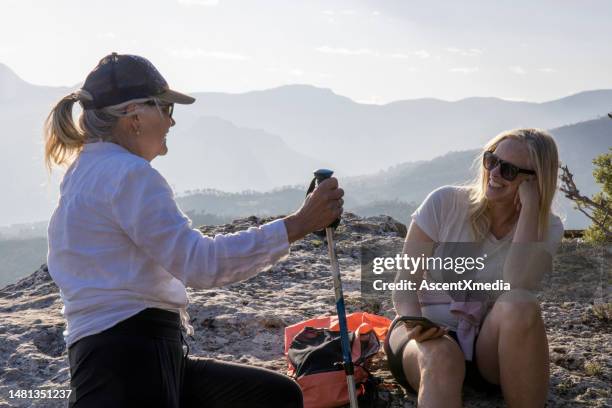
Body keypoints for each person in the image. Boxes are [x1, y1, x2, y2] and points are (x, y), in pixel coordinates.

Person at [44, 52, 344, 408]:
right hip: (134, 358)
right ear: (134, 116)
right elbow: (200, 263)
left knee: (276, 396)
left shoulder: (83, 173)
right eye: (167, 110)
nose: (171, 123)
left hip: (114, 359)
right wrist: (297, 225)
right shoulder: (130, 174)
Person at [384, 129, 564, 408]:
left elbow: (518, 281)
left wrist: (530, 209)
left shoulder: (546, 228)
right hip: (424, 334)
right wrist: (415, 324)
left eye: (509, 170)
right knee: (442, 358)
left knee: (521, 303)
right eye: (491, 160)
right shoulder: (444, 203)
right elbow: (405, 284)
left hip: (486, 349)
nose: (494, 172)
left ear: (535, 181)